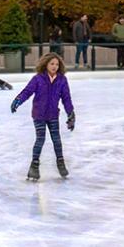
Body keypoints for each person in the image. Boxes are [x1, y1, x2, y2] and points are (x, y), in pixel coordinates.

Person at [10, 52, 75, 181]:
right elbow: (27, 92)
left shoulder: (62, 79)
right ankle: (34, 167)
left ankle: (61, 164)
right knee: (40, 139)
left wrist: (70, 114)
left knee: (56, 140)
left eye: (57, 64)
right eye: (52, 64)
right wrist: (17, 100)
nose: (54, 66)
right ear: (46, 64)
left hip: (52, 115)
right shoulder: (38, 78)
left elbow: (66, 98)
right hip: (39, 114)